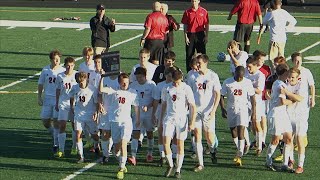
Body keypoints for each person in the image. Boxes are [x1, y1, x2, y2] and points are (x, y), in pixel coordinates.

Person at [99, 73, 140, 180]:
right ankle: (121, 160)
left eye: (126, 82)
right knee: (117, 149)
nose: (125, 84)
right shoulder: (114, 91)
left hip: (126, 122)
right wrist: (102, 77)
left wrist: (138, 119)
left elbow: (136, 107)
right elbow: (101, 89)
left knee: (123, 143)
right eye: (123, 83)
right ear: (119, 83)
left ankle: (121, 168)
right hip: (114, 121)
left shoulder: (132, 93)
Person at [186, 54, 221, 171]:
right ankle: (200, 163)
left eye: (199, 63)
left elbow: (217, 94)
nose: (197, 65)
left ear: (205, 63)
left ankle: (212, 150)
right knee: (197, 137)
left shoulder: (213, 76)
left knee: (210, 139)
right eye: (197, 63)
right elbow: (188, 93)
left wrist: (214, 110)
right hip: (196, 111)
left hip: (208, 111)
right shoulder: (191, 76)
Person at [161, 69, 196, 179]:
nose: (176, 84)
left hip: (181, 119)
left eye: (177, 82)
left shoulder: (186, 88)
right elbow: (164, 104)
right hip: (169, 118)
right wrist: (161, 119)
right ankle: (170, 164)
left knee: (180, 145)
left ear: (181, 79)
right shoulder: (166, 88)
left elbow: (193, 106)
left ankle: (178, 170)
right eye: (174, 82)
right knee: (166, 143)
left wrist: (192, 121)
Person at [220, 66, 256, 167]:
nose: (239, 79)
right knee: (233, 131)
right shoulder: (227, 82)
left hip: (243, 109)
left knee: (241, 130)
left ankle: (239, 155)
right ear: (235, 73)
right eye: (238, 76)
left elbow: (253, 98)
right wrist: (223, 109)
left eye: (241, 77)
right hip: (231, 109)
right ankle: (240, 148)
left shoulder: (247, 82)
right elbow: (221, 95)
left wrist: (254, 111)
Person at [265, 64, 294, 172]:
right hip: (276, 114)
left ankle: (285, 164)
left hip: (283, 114)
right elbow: (282, 102)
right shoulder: (279, 85)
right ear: (284, 73)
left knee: (289, 138)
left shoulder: (283, 83)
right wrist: (293, 101)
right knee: (275, 140)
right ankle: (268, 162)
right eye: (288, 73)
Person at [37, 50, 65, 154]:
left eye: (58, 59)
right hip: (48, 98)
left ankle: (56, 144)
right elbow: (40, 83)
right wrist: (39, 96)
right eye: (55, 59)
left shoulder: (62, 71)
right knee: (45, 120)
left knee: (56, 121)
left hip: (58, 99)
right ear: (51, 59)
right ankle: (54, 134)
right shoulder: (45, 70)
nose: (57, 61)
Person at [69, 72, 100, 163]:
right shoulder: (75, 88)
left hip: (90, 115)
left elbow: (97, 103)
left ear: (86, 79)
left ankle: (96, 145)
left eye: (82, 81)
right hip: (79, 115)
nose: (81, 83)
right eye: (79, 82)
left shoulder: (92, 89)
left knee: (94, 135)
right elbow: (71, 97)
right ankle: (81, 156)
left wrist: (96, 113)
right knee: (78, 134)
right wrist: (72, 108)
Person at [129, 67, 157, 165]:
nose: (139, 79)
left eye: (141, 77)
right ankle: (133, 156)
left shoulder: (151, 85)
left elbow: (155, 100)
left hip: (149, 114)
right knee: (135, 133)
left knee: (149, 133)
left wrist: (148, 106)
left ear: (145, 76)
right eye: (137, 77)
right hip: (137, 114)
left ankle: (149, 153)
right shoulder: (133, 86)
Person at [55, 57, 78, 158]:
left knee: (75, 126)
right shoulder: (60, 76)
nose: (70, 68)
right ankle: (61, 150)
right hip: (63, 103)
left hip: (74, 104)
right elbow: (58, 90)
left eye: (72, 66)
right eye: (68, 66)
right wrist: (56, 103)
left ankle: (74, 146)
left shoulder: (77, 75)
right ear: (65, 66)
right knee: (62, 125)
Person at [153, 67, 176, 166]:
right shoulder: (160, 85)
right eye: (169, 76)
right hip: (161, 109)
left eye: (172, 76)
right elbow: (156, 100)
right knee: (160, 132)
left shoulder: (176, 86)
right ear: (165, 75)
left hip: (173, 112)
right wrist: (154, 113)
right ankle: (162, 156)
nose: (170, 78)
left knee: (174, 135)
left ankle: (174, 156)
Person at [285, 68, 306, 174]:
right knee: (289, 139)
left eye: (293, 77)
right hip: (288, 115)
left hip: (300, 116)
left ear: (298, 78)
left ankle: (300, 165)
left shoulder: (301, 85)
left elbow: (299, 98)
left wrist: (287, 94)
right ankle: (290, 160)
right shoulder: (285, 84)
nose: (290, 79)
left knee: (299, 139)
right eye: (289, 76)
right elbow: (285, 100)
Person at [262, 0, 297, 64]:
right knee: (281, 59)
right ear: (280, 4)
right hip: (282, 39)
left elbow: (263, 21)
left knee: (272, 59)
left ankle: (274, 72)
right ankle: (283, 71)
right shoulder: (284, 12)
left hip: (274, 39)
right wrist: (286, 28)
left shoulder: (272, 13)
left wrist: (267, 12)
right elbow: (294, 21)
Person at [245, 57, 266, 156]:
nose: (248, 69)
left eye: (249, 67)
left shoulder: (260, 76)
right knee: (244, 124)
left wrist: (248, 87)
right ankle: (247, 143)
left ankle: (259, 146)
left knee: (257, 124)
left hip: (256, 103)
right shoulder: (245, 73)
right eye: (247, 67)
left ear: (255, 65)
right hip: (245, 102)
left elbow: (259, 90)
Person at [181, 0, 209, 72]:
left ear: (198, 1)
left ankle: (203, 70)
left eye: (195, 1)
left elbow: (206, 24)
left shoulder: (204, 11)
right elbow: (185, 25)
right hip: (190, 34)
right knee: (189, 55)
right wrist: (185, 36)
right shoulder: (187, 12)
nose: (194, 3)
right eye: (193, 1)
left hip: (200, 34)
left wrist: (206, 36)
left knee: (202, 54)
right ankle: (189, 72)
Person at [98, 73, 119, 164]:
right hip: (105, 111)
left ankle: (119, 156)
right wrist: (99, 104)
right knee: (105, 133)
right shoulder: (104, 78)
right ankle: (105, 155)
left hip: (117, 112)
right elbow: (99, 93)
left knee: (116, 136)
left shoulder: (121, 77)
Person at [254, 50, 271, 149]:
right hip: (253, 98)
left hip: (264, 97)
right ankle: (258, 138)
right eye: (261, 60)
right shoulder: (251, 69)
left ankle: (262, 140)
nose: (263, 62)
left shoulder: (266, 69)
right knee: (254, 121)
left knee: (263, 118)